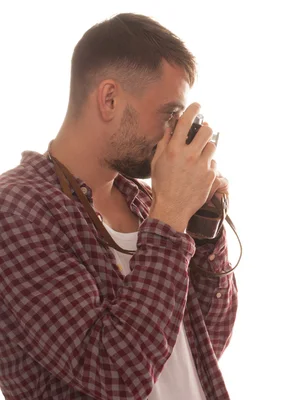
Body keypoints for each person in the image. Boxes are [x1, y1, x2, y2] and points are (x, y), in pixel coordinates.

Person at [0, 13, 237, 400]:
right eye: (169, 115)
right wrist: (172, 219)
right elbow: (115, 373)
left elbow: (203, 342)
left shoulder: (146, 201)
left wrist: (203, 221)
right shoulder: (16, 211)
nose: (174, 133)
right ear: (109, 99)